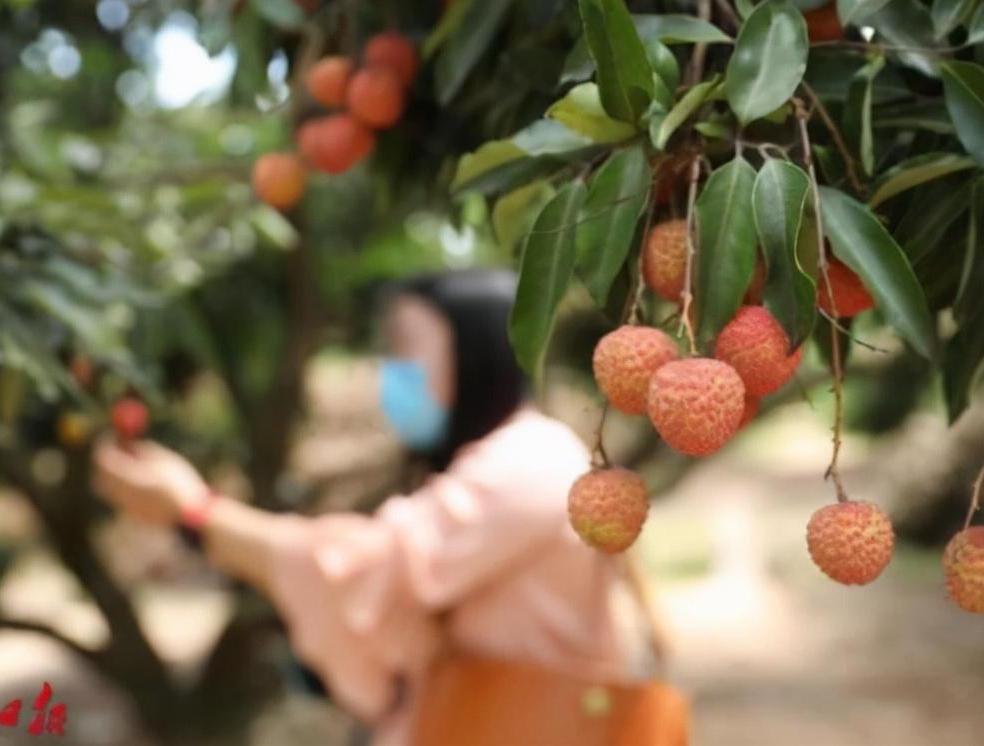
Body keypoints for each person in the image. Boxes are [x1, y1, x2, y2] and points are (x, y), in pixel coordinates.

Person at [91, 268, 628, 746]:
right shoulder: (493, 462)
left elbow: (362, 569)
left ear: (474, 351)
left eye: (404, 347)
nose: (390, 371)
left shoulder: (531, 458)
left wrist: (195, 512)